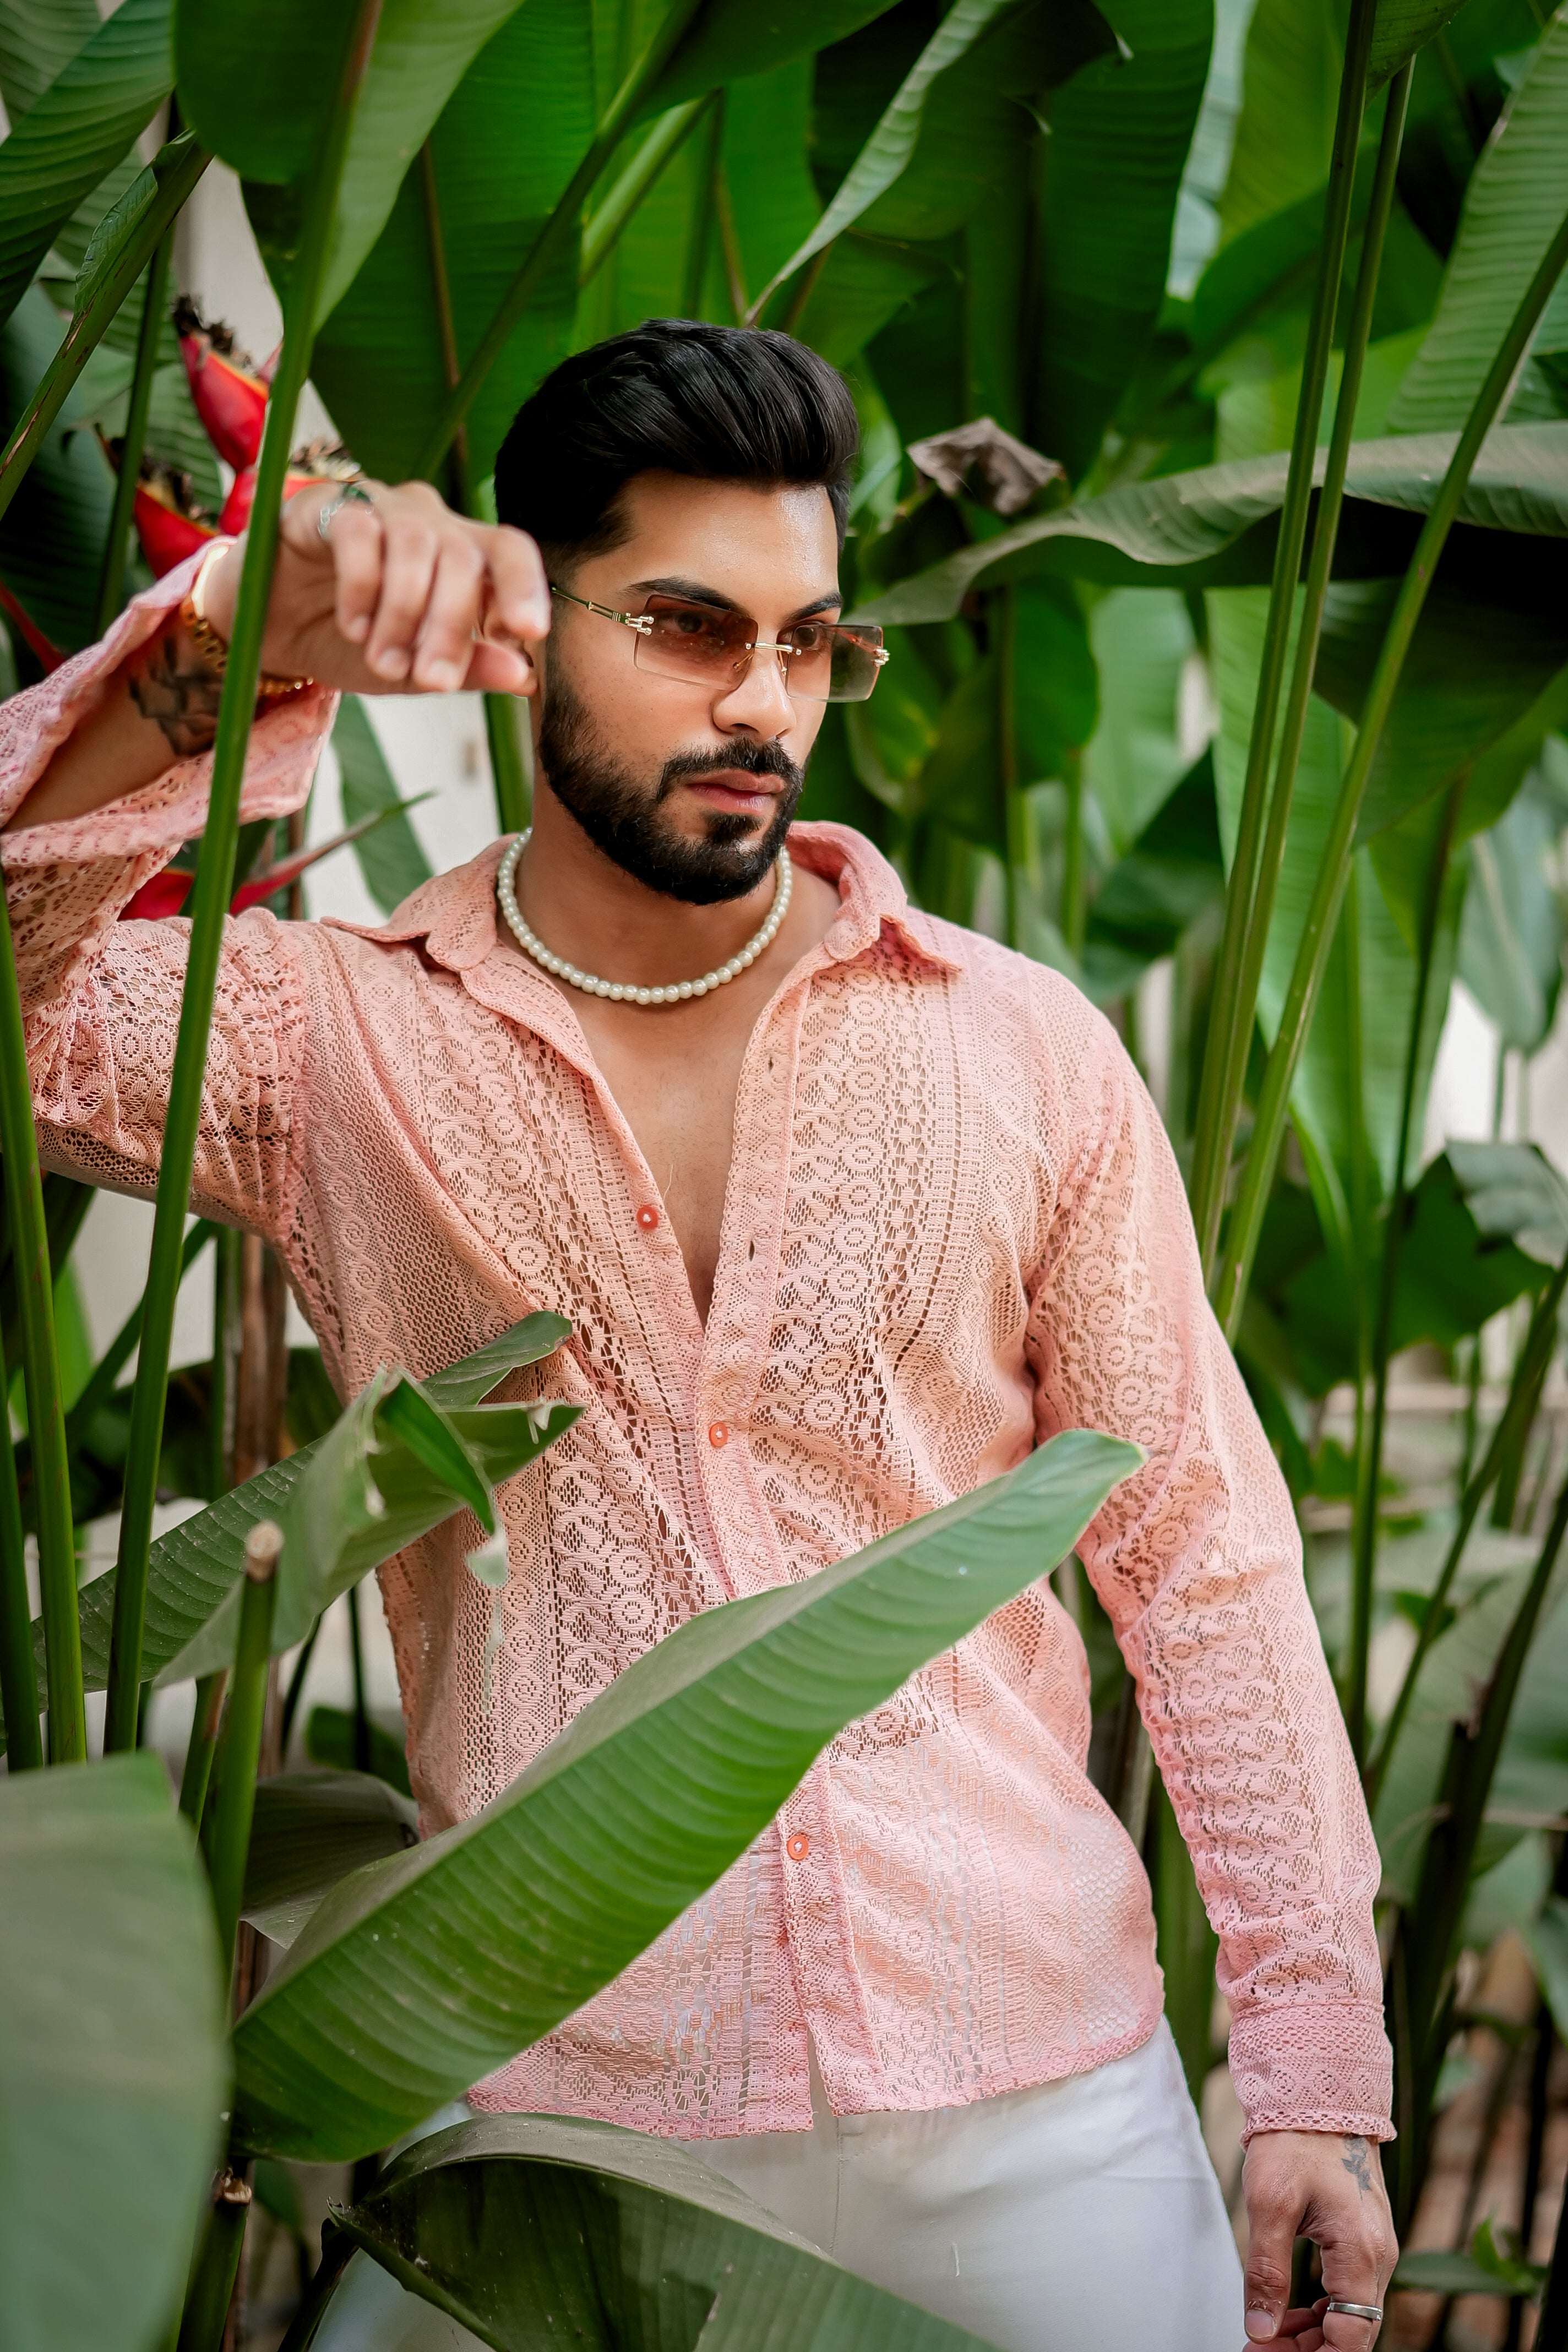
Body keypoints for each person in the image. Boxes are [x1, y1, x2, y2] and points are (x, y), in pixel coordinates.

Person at [4, 319, 1395, 2351]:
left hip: (1042, 2123)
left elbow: (1199, 1551)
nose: (763, 702)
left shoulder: (1021, 1051)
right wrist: (229, 646)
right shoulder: (328, 1041)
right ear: (529, 628)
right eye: (684, 625)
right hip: (560, 2132)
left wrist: (1314, 2078)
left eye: (813, 642)